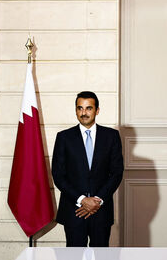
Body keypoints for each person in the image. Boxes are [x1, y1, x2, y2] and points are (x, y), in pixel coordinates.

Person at [52, 91, 124, 247]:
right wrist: (82, 200)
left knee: (102, 256)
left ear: (97, 110)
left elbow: (116, 173)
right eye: (80, 108)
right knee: (73, 256)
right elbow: (58, 175)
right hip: (74, 210)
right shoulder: (64, 137)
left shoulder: (111, 136)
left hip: (101, 210)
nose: (83, 113)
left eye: (88, 108)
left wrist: (96, 201)